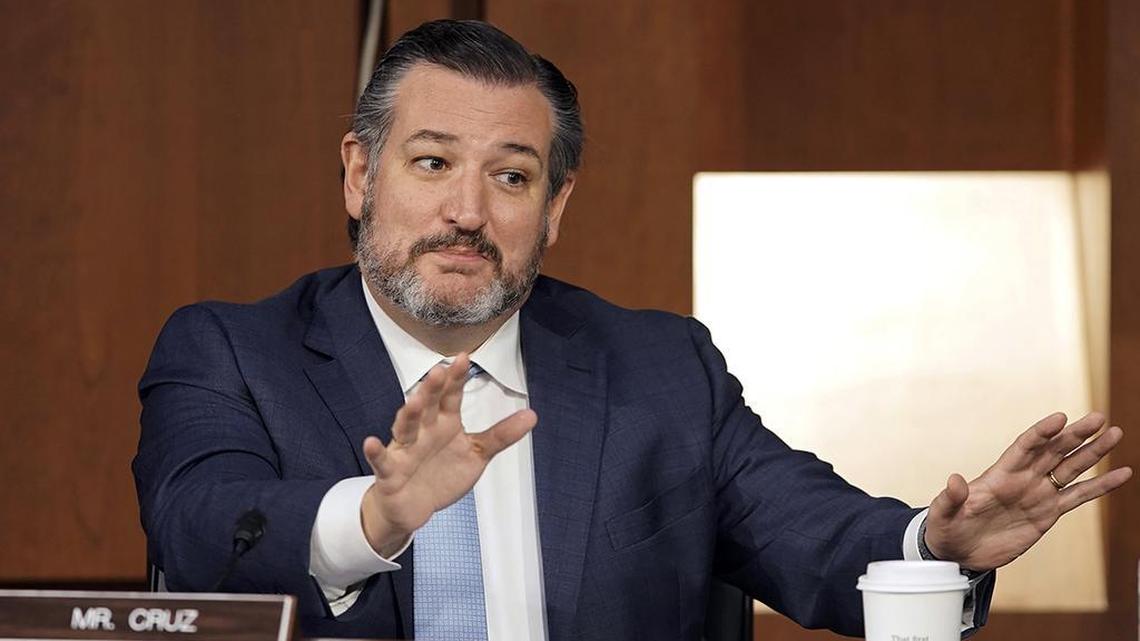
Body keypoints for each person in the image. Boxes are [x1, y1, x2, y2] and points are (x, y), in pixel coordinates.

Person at [132, 19, 1131, 641]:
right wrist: (378, 516)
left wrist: (940, 546)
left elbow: (813, 534)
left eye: (512, 175)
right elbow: (200, 529)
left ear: (556, 206)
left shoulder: (660, 368)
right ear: (361, 174)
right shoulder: (229, 351)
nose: (468, 210)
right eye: (432, 163)